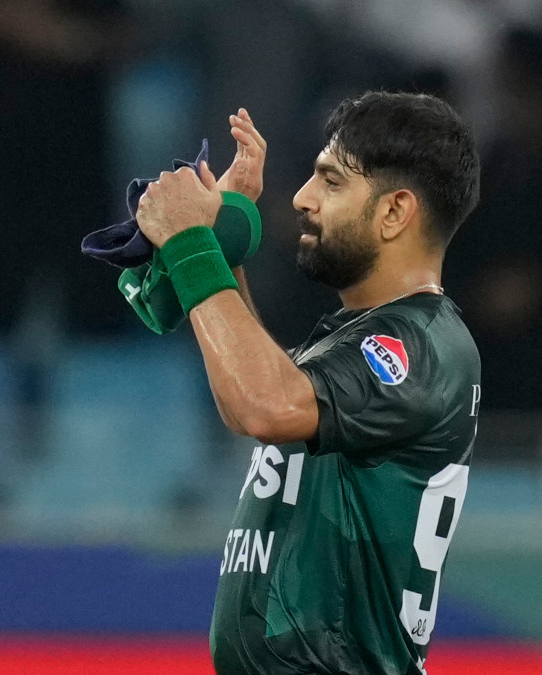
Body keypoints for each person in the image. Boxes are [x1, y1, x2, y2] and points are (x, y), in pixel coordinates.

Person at [131, 94, 480, 674]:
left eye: (332, 182)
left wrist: (190, 242)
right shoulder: (360, 336)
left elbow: (265, 407)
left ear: (395, 213)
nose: (300, 198)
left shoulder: (416, 345)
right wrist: (225, 236)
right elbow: (248, 396)